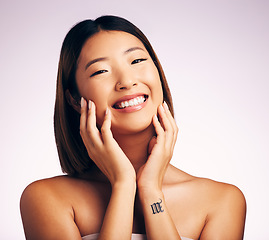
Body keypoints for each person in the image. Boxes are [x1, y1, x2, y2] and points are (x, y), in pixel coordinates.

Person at [20, 15, 246, 240]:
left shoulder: (222, 201)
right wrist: (123, 185)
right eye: (100, 71)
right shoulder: (46, 198)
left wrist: (151, 191)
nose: (127, 81)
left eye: (137, 61)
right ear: (74, 100)